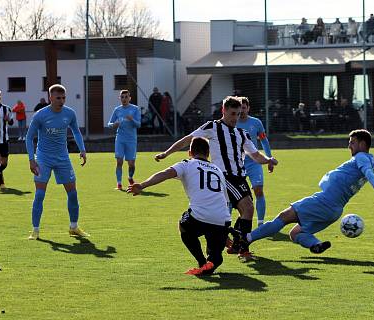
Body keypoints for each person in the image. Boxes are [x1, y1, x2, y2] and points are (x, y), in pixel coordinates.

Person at [154, 96, 278, 261]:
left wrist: (268, 160)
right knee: (247, 208)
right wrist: (166, 153)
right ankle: (241, 248)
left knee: (246, 211)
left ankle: (233, 242)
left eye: (238, 114)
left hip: (239, 178)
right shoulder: (213, 126)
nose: (236, 118)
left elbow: (255, 155)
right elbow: (188, 139)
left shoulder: (242, 134)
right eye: (233, 114)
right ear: (224, 111)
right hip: (224, 176)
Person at [231, 129, 374, 254]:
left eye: (352, 142)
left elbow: (368, 172)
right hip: (334, 210)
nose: (349, 146)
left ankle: (246, 238)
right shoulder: (372, 160)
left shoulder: (361, 157)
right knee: (295, 233)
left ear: (362, 143)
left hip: (324, 201)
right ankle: (316, 244)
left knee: (284, 217)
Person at [128, 137, 230, 276]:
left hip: (199, 217)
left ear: (190, 152)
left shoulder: (187, 164)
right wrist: (224, 232)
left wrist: (142, 185)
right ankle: (213, 259)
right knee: (215, 256)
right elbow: (224, 200)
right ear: (208, 153)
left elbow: (165, 174)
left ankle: (201, 262)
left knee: (184, 225)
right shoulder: (217, 169)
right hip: (222, 219)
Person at [25, 84, 88, 240]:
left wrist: (82, 149)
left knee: (73, 194)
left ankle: (74, 227)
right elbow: (28, 137)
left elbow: (76, 131)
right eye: (58, 98)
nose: (61, 101)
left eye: (63, 98)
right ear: (50, 98)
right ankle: (35, 230)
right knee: (40, 194)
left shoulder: (70, 113)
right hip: (43, 159)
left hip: (63, 158)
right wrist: (32, 160)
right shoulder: (40, 115)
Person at [236, 97, 273, 227]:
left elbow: (263, 140)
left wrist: (269, 159)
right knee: (231, 195)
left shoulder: (256, 123)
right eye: (239, 108)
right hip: (236, 164)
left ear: (248, 108)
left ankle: (261, 223)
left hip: (254, 162)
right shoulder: (232, 123)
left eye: (244, 108)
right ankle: (226, 224)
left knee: (258, 190)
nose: (241, 111)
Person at [108, 90, 141, 190]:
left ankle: (130, 178)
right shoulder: (117, 110)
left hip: (131, 139)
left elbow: (138, 124)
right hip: (120, 139)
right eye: (122, 97)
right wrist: (114, 125)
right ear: (120, 98)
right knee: (119, 161)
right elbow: (109, 123)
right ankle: (119, 184)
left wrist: (132, 119)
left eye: (126, 97)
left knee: (131, 163)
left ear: (130, 98)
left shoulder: (135, 109)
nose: (124, 99)